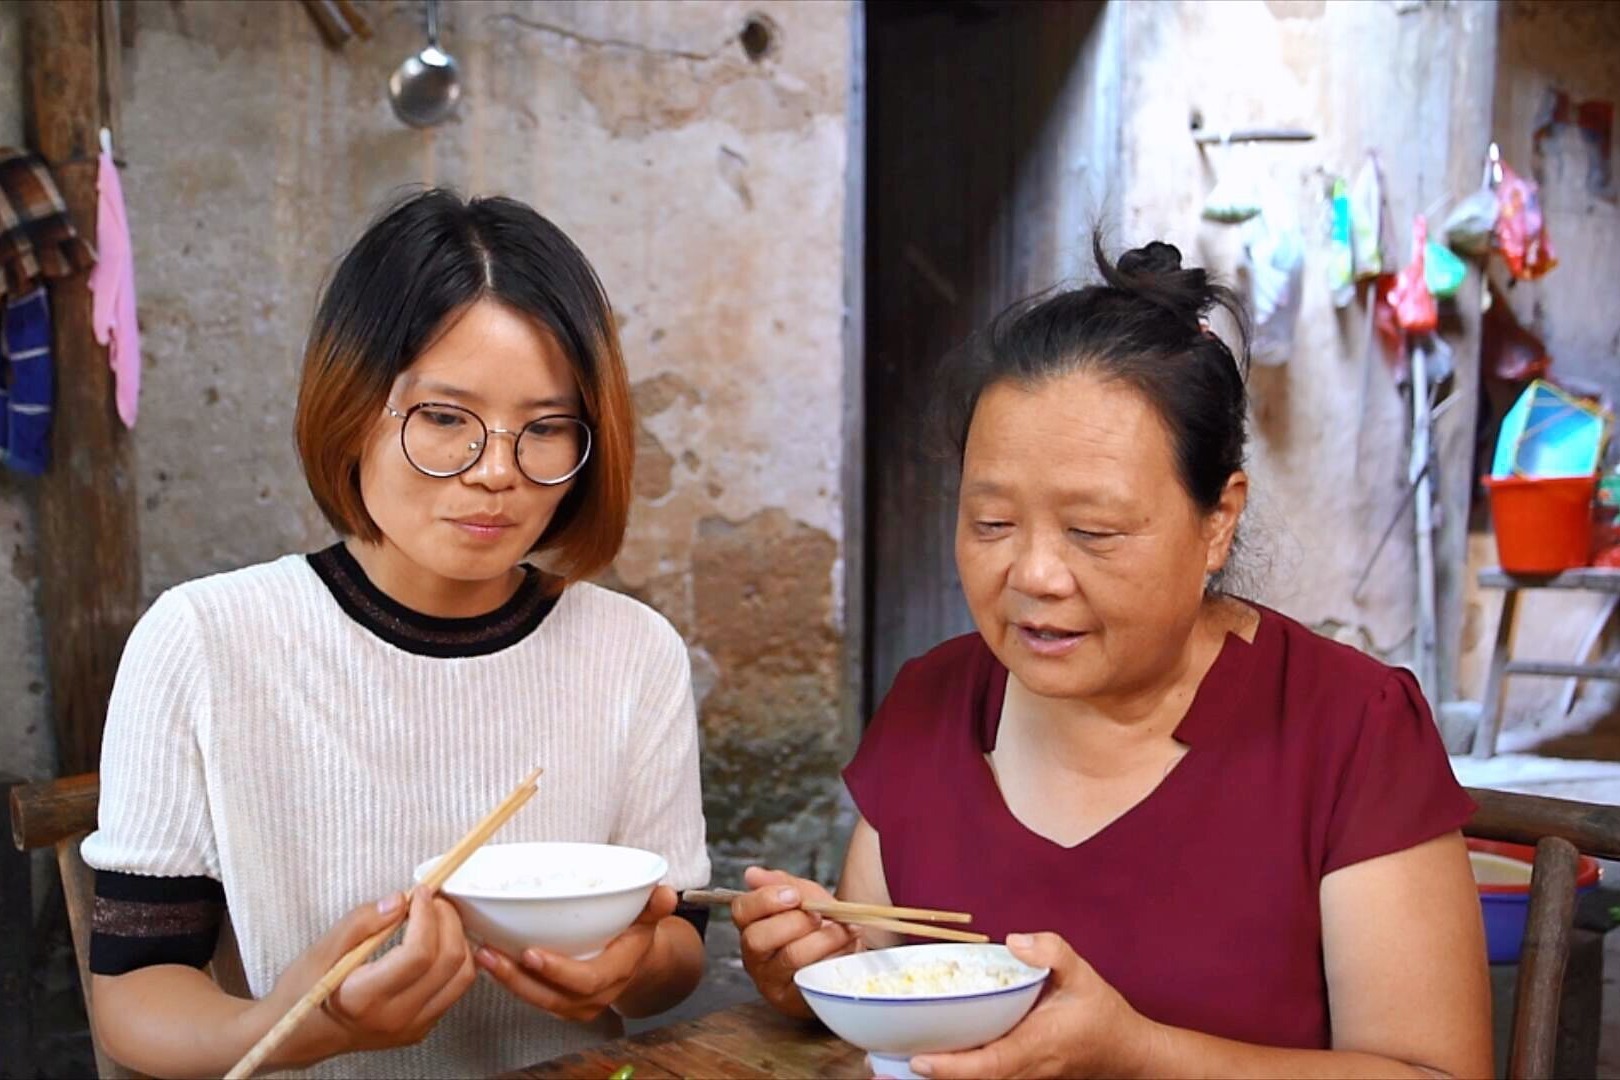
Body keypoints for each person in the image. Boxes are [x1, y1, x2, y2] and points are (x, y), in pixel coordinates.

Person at [733, 240, 1491, 1078]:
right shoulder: (934, 701)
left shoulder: (1347, 727)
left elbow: (1437, 1073)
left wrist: (1139, 1055)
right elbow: (881, 970)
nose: (1034, 575)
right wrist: (814, 972)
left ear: (1218, 521)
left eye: (1093, 532)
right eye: (990, 524)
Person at [81, 189, 711, 1078]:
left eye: (545, 429)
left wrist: (632, 965)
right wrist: (314, 1025)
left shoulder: (632, 651)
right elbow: (137, 994)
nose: (498, 472)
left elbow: (677, 943)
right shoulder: (205, 642)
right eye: (446, 419)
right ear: (350, 405)